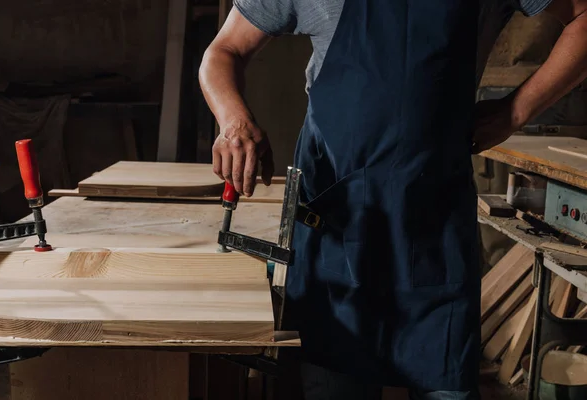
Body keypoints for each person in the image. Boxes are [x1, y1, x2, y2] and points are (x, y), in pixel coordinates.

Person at [199, 0, 587, 398]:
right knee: (333, 386)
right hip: (337, 229)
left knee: (447, 387)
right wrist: (234, 120)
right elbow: (222, 51)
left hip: (433, 235)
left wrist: (515, 111)